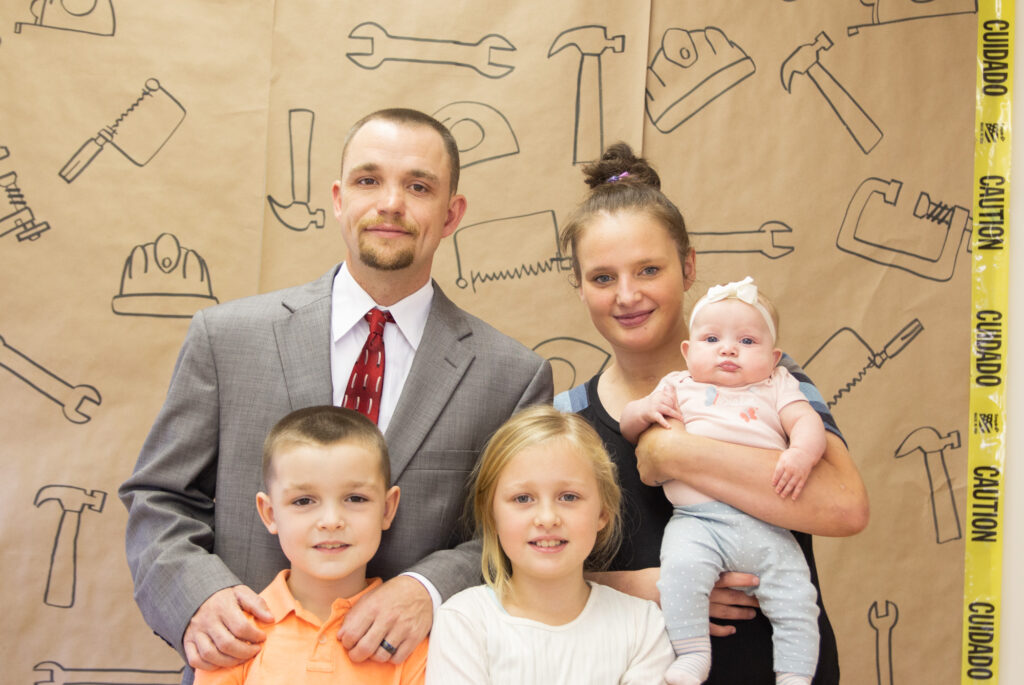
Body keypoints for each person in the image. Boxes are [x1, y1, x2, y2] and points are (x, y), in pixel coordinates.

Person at [119, 108, 553, 683]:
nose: (391, 203)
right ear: (338, 198)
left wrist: (430, 588)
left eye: (418, 186)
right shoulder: (226, 339)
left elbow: (521, 534)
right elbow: (159, 496)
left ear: (452, 214)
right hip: (249, 666)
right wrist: (196, 597)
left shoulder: (511, 377)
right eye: (368, 180)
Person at [553, 143, 869, 684]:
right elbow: (523, 573)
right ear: (579, 287)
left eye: (649, 269)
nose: (628, 296)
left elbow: (844, 507)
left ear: (688, 267)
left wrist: (673, 450)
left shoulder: (772, 376)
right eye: (603, 277)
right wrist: (642, 586)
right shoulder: (566, 418)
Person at [620, 276, 827, 685]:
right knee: (679, 574)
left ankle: (795, 674)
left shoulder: (778, 386)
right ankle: (694, 654)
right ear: (688, 351)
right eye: (712, 339)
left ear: (774, 356)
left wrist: (801, 453)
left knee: (798, 598)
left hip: (766, 523)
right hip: (698, 523)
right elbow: (630, 427)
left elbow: (808, 422)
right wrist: (644, 409)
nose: (729, 349)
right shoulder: (678, 385)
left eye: (748, 342)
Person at [425, 405, 675, 684]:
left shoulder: (642, 626)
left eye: (568, 497)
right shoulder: (464, 622)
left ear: (602, 512)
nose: (547, 518)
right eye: (523, 498)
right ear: (492, 515)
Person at [193, 406, 427, 685]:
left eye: (355, 499)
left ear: (388, 509)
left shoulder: (406, 636)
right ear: (269, 513)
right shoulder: (235, 635)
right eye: (303, 501)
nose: (331, 521)